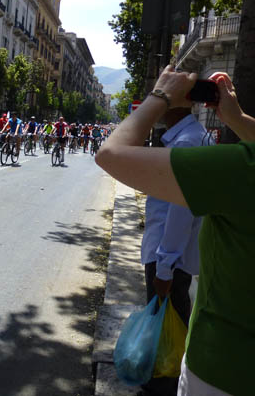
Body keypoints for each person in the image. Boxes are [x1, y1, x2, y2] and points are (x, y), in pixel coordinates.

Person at [96, 66, 255, 396]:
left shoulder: (215, 157)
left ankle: (159, 385)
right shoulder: (198, 142)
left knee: (165, 334)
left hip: (219, 367)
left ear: (171, 103)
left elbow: (110, 155)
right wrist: (237, 118)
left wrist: (159, 95)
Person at [139, 106, 211, 396]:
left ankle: (163, 386)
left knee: (167, 328)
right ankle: (162, 380)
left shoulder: (185, 144)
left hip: (168, 257)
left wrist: (165, 267)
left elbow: (180, 212)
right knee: (170, 323)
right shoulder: (194, 137)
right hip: (174, 255)